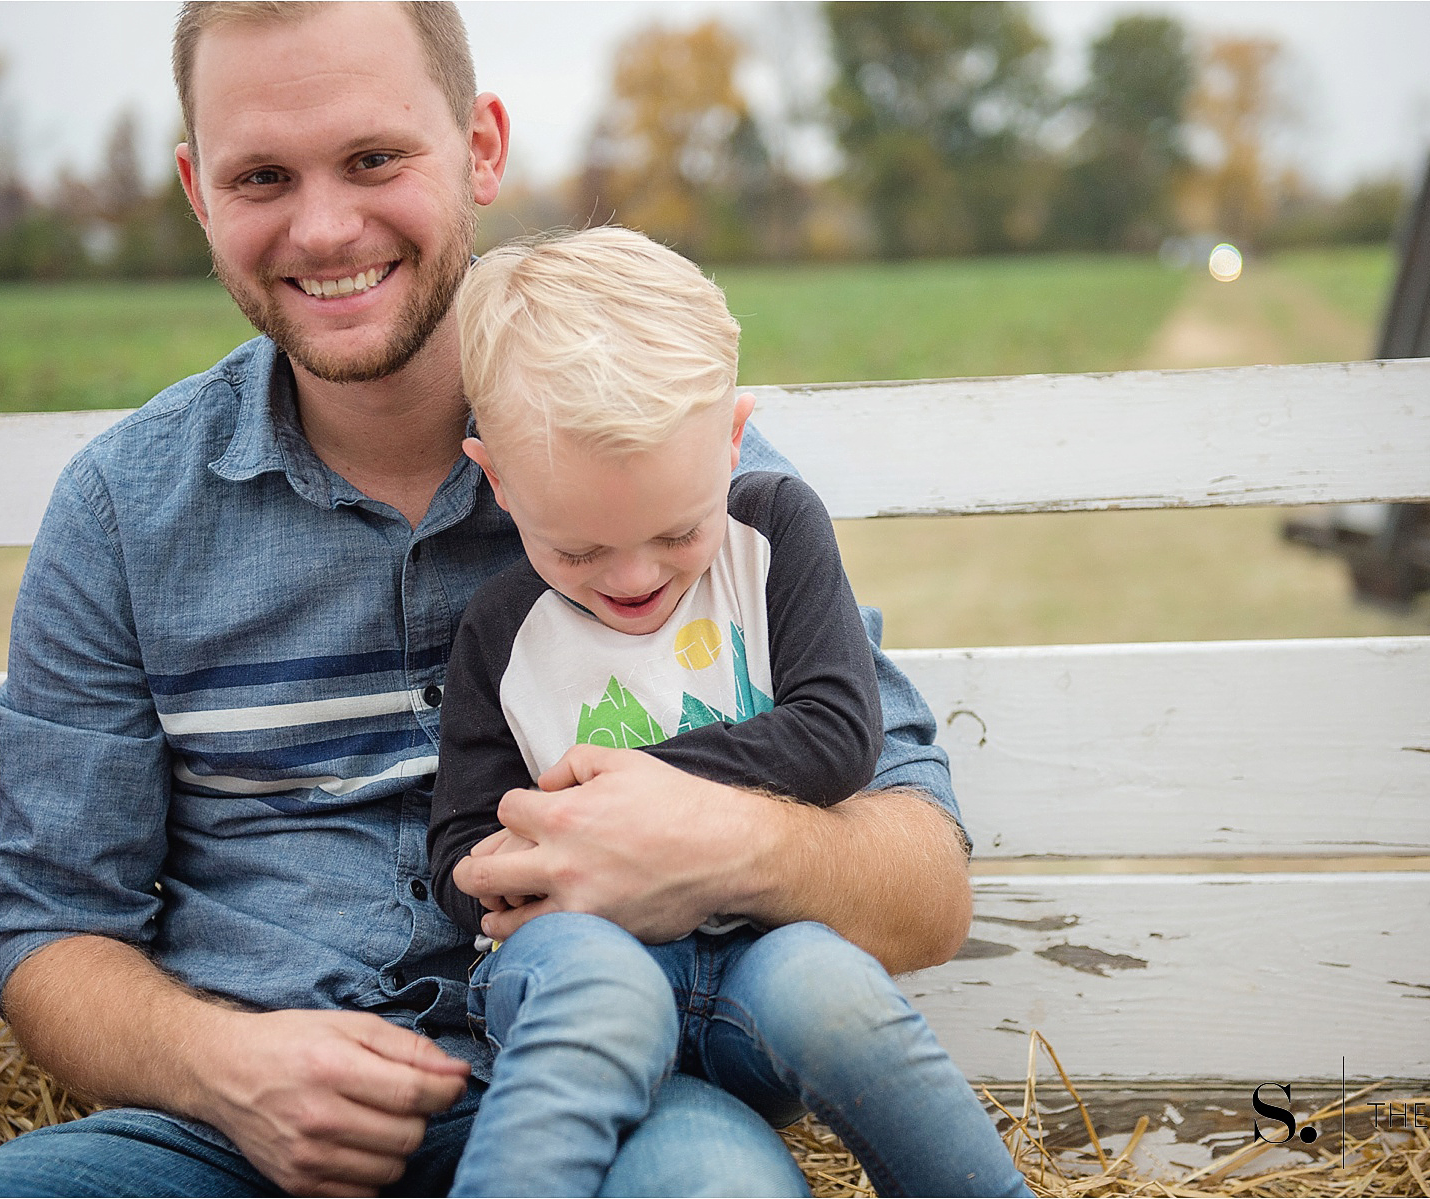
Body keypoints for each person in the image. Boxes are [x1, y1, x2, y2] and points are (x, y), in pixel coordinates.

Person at [0, 4, 975, 1196]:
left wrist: (729, 838)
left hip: (622, 1093)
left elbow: (921, 883)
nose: (325, 225)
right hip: (233, 1137)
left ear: (480, 149)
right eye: (262, 175)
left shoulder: (675, 475)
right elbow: (50, 935)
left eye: (374, 158)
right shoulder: (121, 511)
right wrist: (221, 1064)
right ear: (200, 192)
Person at [428, 227, 1029, 1198]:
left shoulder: (775, 533)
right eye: (576, 550)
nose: (631, 577)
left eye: (676, 531)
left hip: (757, 958)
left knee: (825, 984)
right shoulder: (502, 629)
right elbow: (459, 842)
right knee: (599, 991)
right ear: (496, 477)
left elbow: (837, 731)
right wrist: (506, 871)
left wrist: (641, 797)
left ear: (734, 437)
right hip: (590, 964)